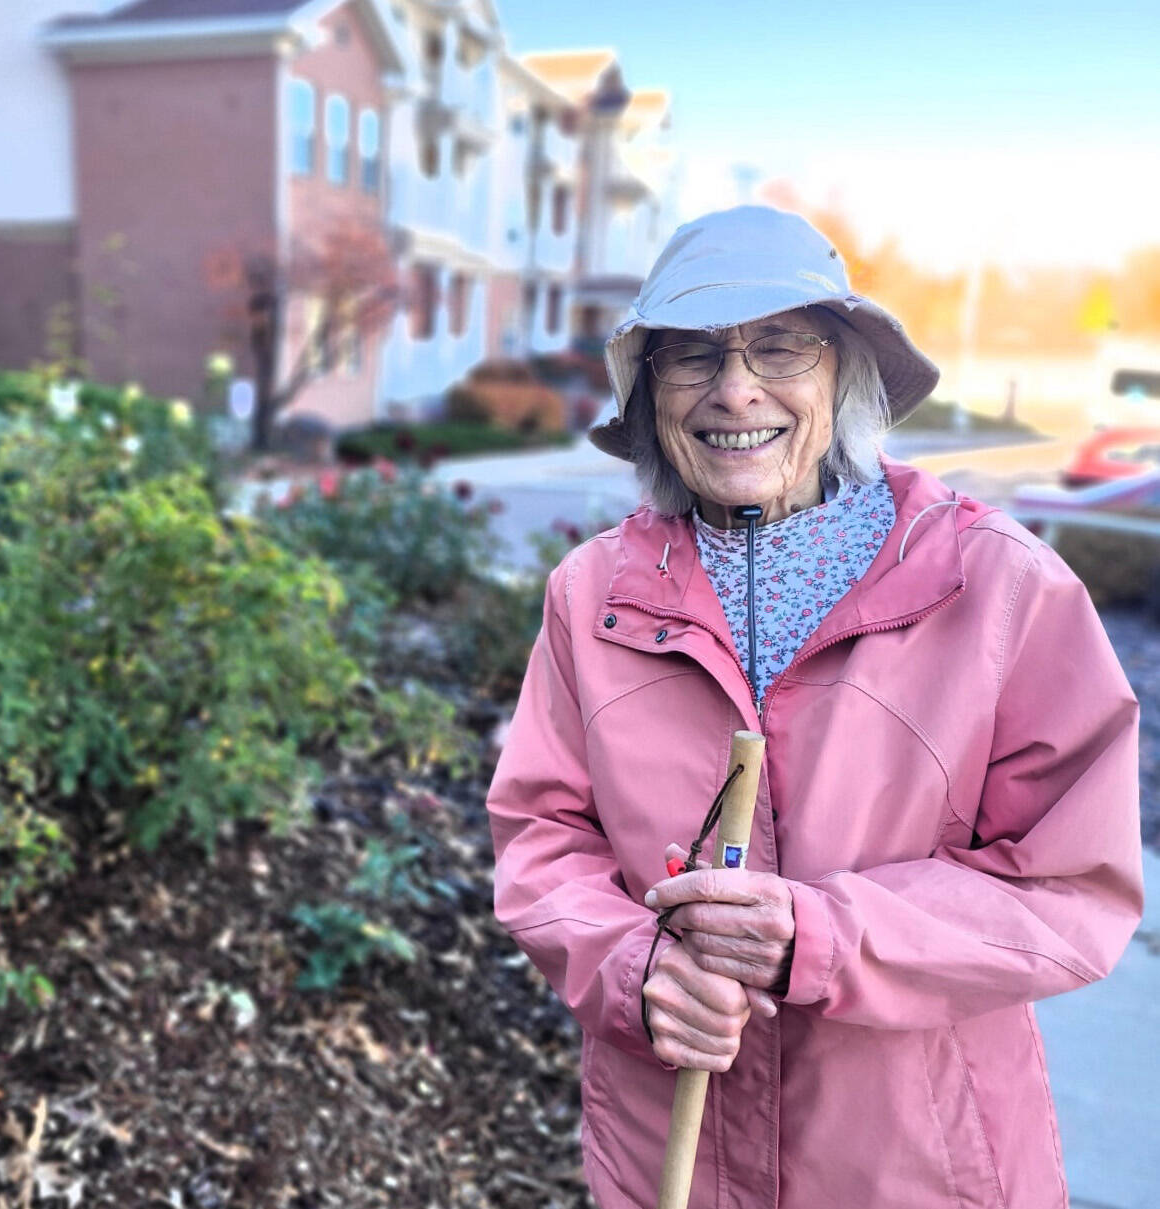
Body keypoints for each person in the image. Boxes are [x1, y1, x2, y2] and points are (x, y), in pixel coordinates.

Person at [486, 205, 1142, 1208]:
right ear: (651, 390)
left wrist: (820, 939)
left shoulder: (1001, 589)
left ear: (845, 371)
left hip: (917, 1170)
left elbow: (1070, 889)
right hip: (668, 1160)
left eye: (778, 345)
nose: (734, 387)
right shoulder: (591, 594)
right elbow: (541, 837)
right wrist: (631, 964)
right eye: (692, 355)